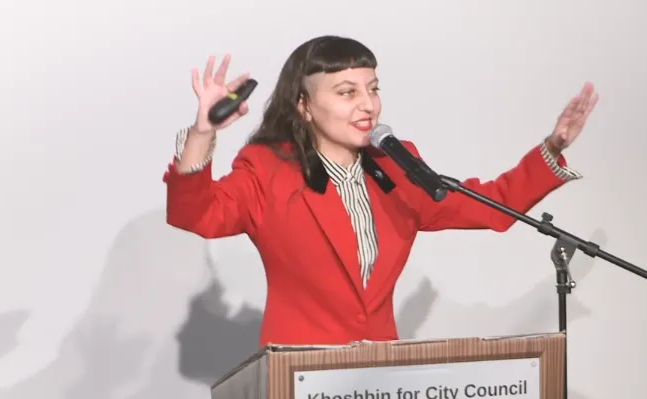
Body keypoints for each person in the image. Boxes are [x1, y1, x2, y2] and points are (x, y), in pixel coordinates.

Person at [163, 35, 597, 347]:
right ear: (303, 105)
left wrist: (552, 148)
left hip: (380, 375)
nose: (367, 105)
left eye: (372, 89)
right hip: (299, 371)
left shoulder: (396, 167)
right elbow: (197, 215)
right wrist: (203, 133)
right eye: (347, 92)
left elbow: (493, 207)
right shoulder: (268, 169)